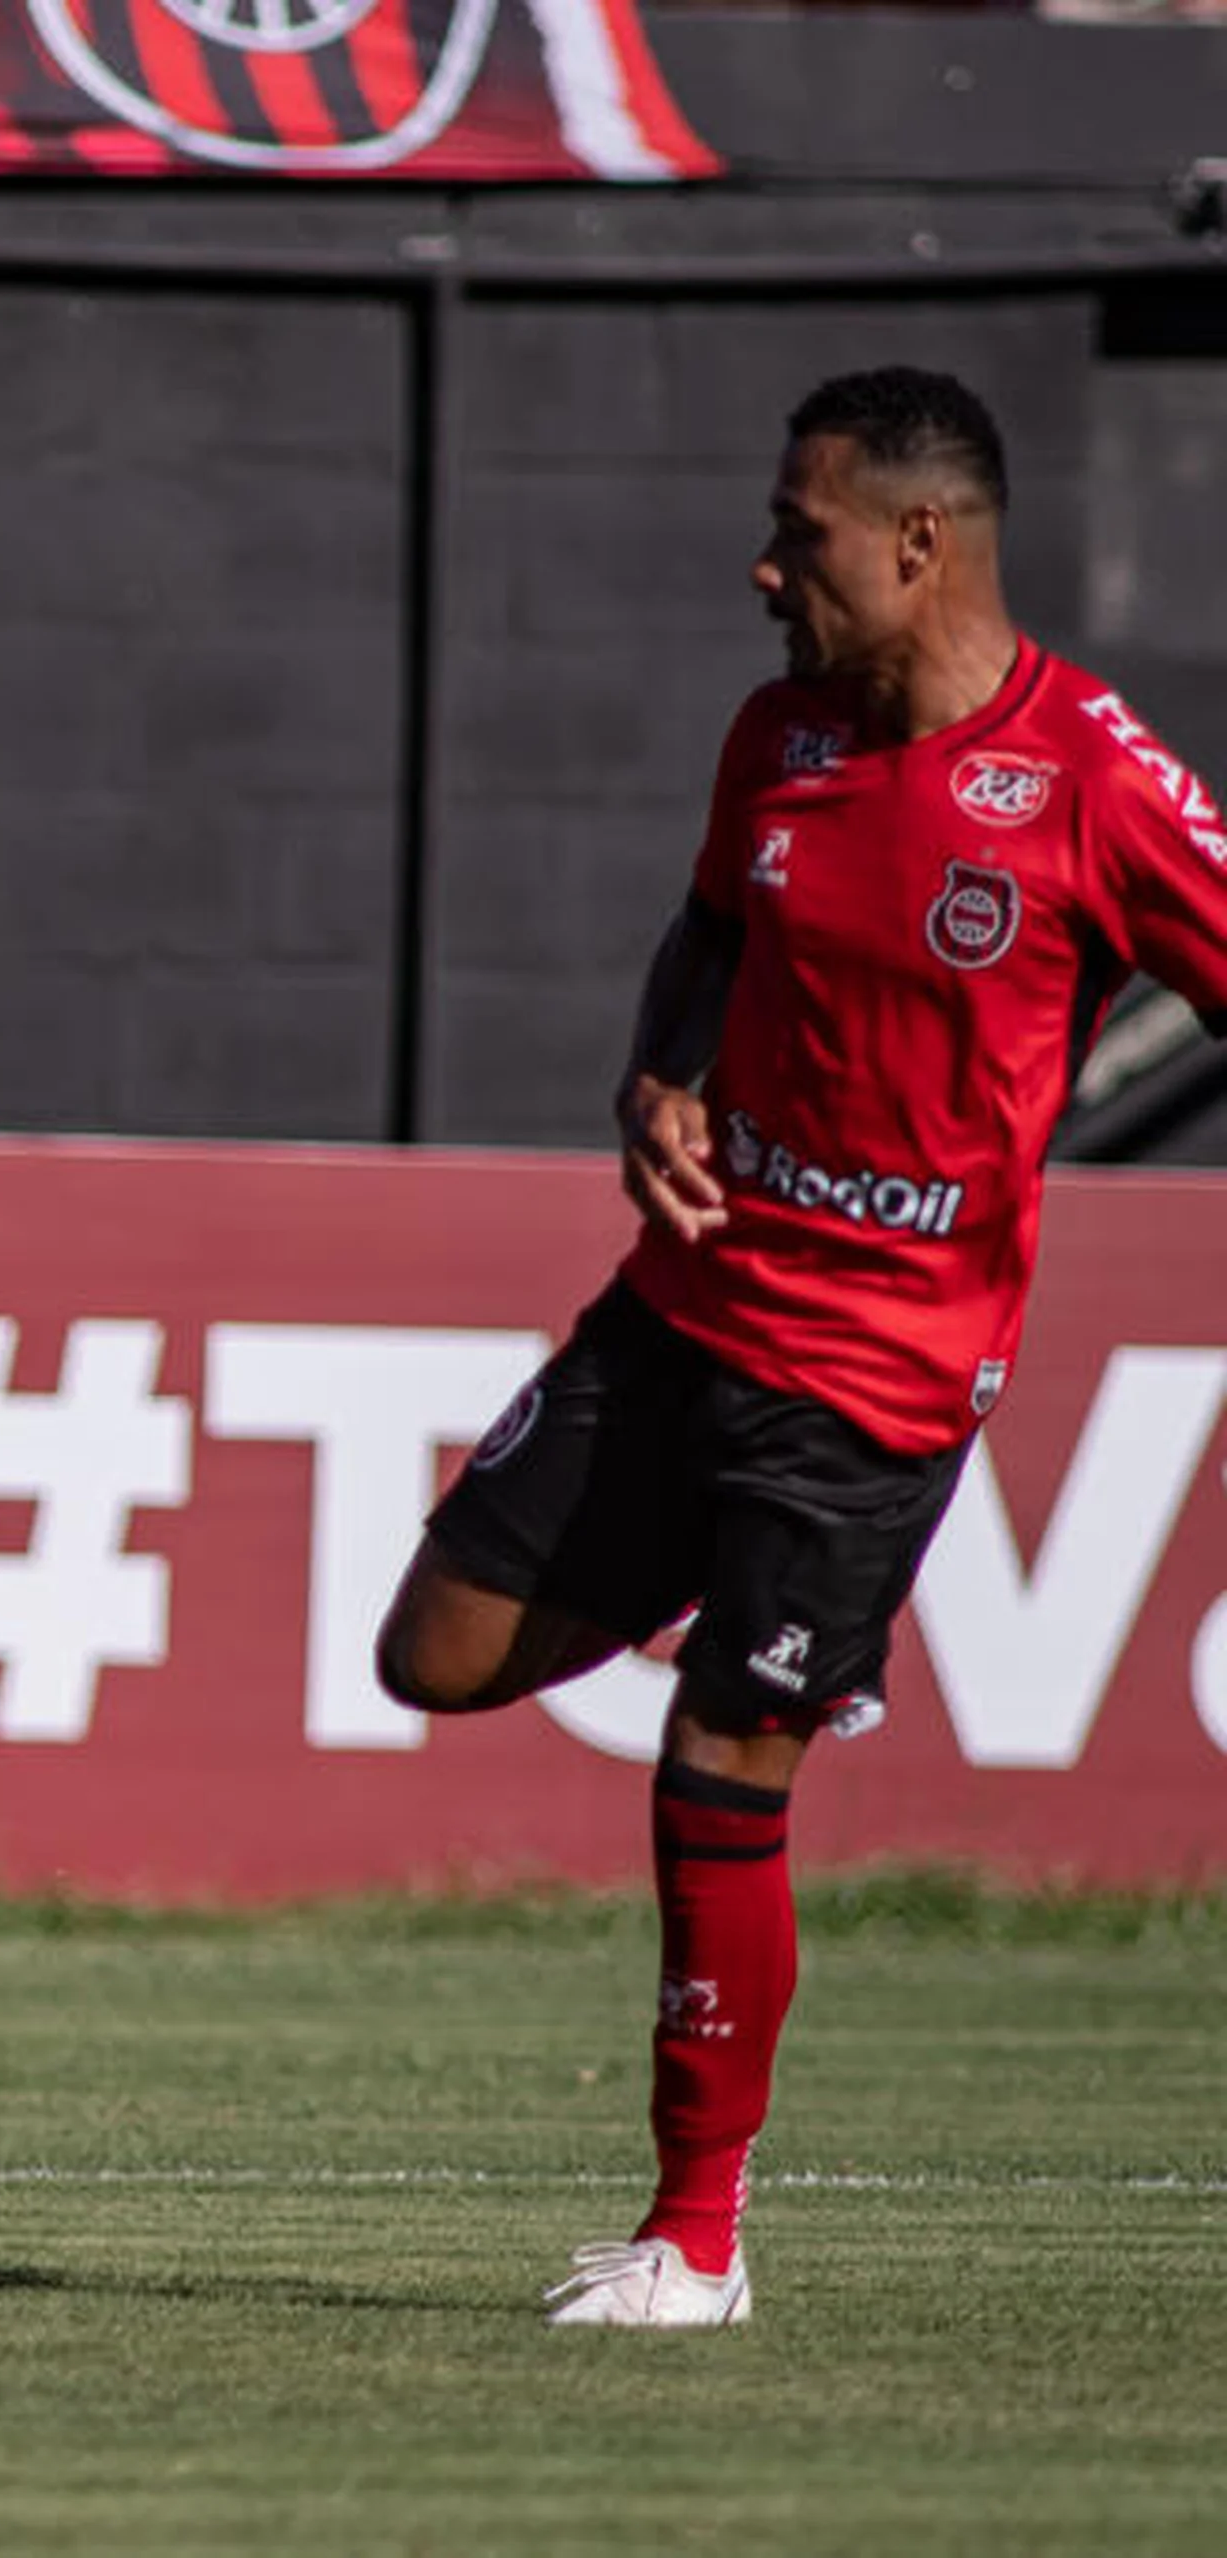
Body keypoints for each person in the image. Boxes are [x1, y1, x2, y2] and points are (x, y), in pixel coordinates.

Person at [373, 368, 1227, 2328]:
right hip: (683, 1312)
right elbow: (705, 938)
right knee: (433, 1653)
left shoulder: (1093, 780)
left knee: (718, 1760)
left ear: (919, 545)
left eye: (806, 531)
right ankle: (754, 1615)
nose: (770, 567)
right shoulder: (780, 735)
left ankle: (695, 2235)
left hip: (876, 1386)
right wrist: (657, 1076)